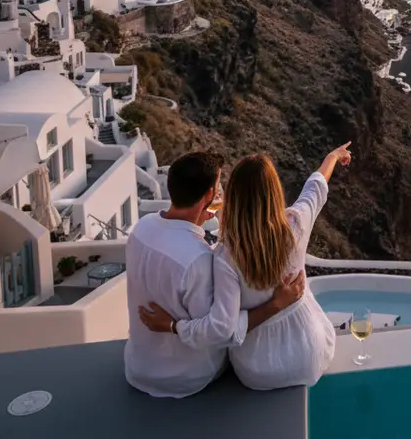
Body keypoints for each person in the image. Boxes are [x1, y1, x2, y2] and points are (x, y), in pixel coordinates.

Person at [139, 143, 351, 390]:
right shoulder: (297, 223)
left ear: (234, 197)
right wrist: (333, 156)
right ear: (275, 192)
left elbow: (223, 328)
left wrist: (173, 325)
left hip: (259, 368)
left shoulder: (225, 256)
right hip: (309, 352)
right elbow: (315, 186)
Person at [125, 151, 304, 398]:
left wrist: (196, 220)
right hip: (186, 377)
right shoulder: (199, 260)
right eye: (218, 186)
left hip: (138, 366)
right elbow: (221, 332)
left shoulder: (141, 228)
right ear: (209, 195)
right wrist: (276, 303)